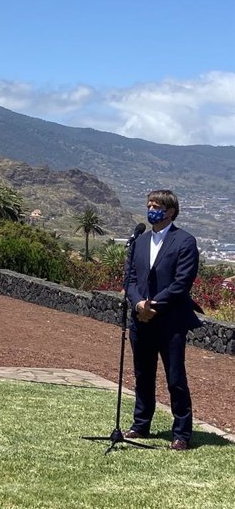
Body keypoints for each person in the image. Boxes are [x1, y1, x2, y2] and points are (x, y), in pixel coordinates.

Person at [124, 190, 201, 450]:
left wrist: (152, 305)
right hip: (141, 319)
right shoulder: (140, 241)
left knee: (175, 377)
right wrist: (138, 304)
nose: (151, 208)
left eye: (156, 205)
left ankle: (181, 433)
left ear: (170, 211)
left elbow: (182, 283)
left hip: (170, 321)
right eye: (149, 204)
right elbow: (131, 279)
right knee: (143, 375)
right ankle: (140, 424)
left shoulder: (185, 241)